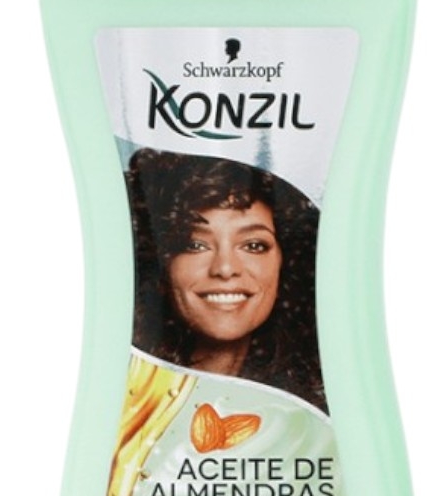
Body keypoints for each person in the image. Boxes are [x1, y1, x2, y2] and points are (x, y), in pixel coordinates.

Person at [125, 149, 326, 409]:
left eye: (253, 245)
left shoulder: (312, 405)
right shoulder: (125, 394)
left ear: (284, 263)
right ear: (160, 264)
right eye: (194, 245)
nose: (225, 268)